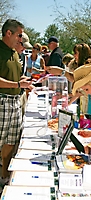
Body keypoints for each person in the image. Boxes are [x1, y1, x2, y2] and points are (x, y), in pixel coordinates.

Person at [0, 19, 32, 186]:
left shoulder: (14, 53)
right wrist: (18, 84)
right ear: (9, 33)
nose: (21, 39)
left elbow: (12, 77)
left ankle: (4, 175)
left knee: (11, 142)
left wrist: (22, 81)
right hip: (2, 102)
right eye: (19, 35)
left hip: (14, 103)